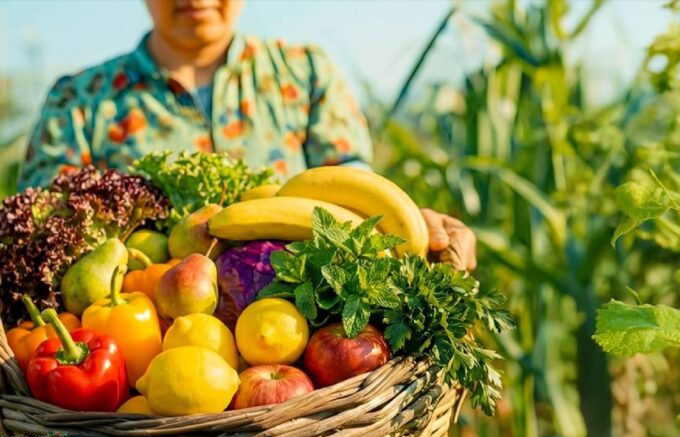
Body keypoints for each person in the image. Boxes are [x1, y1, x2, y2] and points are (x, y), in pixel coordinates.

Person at [20, 0, 476, 270]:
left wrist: (414, 227)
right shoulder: (79, 100)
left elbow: (355, 187)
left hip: (304, 336)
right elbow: (44, 233)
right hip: (139, 357)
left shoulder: (305, 73)